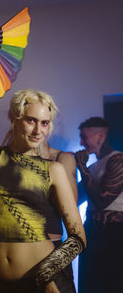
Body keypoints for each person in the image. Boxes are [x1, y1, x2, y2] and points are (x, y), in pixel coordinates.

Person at [0, 28, 86, 293]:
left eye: (45, 123)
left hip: (44, 283)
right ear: (14, 119)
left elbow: (78, 237)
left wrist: (45, 277)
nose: (38, 130)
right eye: (31, 120)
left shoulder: (54, 169)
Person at [75, 117, 123, 293]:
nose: (81, 142)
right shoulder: (94, 166)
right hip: (93, 232)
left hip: (115, 233)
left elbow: (103, 201)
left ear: (100, 137)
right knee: (90, 284)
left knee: (113, 283)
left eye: (84, 137)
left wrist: (82, 167)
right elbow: (74, 200)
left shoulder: (118, 159)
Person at [39, 140, 78, 292]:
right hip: (17, 250)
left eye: (44, 123)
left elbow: (69, 210)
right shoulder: (10, 156)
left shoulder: (61, 159)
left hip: (52, 247)